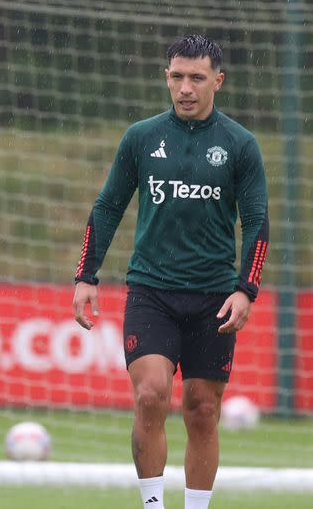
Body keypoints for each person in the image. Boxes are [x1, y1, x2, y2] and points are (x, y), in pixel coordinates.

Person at [72, 35, 269, 509]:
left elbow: (258, 222)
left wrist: (246, 290)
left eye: (196, 78)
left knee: (202, 409)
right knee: (150, 395)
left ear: (217, 81)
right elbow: (108, 206)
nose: (185, 87)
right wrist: (85, 275)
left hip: (215, 297)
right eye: (177, 77)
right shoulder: (142, 137)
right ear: (166, 77)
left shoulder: (240, 145)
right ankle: (153, 504)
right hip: (151, 293)